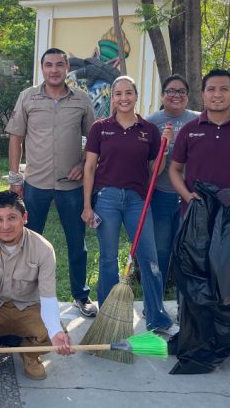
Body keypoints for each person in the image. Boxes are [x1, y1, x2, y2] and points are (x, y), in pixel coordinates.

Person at [169, 68, 230, 366]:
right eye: (211, 89)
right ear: (203, 94)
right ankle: (191, 333)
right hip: (195, 219)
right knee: (194, 277)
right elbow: (174, 169)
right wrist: (188, 196)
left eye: (223, 89)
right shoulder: (190, 129)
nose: (217, 94)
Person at [5, 47, 97, 318]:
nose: (54, 70)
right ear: (42, 68)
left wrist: (82, 163)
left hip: (71, 186)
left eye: (59, 65)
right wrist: (15, 179)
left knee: (77, 243)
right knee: (29, 241)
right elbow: (15, 139)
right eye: (49, 65)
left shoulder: (81, 99)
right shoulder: (28, 97)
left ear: (67, 68)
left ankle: (80, 295)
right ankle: (27, 295)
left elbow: (95, 141)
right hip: (35, 184)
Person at [81, 76, 175, 333]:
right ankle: (108, 317)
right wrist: (87, 206)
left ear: (136, 96)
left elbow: (155, 169)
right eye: (118, 93)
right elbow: (89, 168)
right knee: (108, 259)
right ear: (112, 98)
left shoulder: (149, 130)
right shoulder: (100, 128)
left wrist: (164, 147)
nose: (123, 98)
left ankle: (157, 317)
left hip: (138, 200)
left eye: (128, 93)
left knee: (149, 259)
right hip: (106, 199)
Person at [0, 191, 75, 381]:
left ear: (24, 218)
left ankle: (30, 354)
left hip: (28, 308)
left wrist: (55, 331)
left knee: (54, 334)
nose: (6, 226)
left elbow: (48, 298)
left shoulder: (43, 249)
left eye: (12, 218)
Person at [145, 75, 198, 287]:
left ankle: (184, 294)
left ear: (188, 96)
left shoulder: (198, 120)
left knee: (187, 247)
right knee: (161, 247)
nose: (176, 95)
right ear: (162, 95)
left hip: (190, 195)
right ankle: (157, 291)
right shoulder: (151, 122)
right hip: (161, 194)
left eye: (181, 91)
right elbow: (146, 163)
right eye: (171, 91)